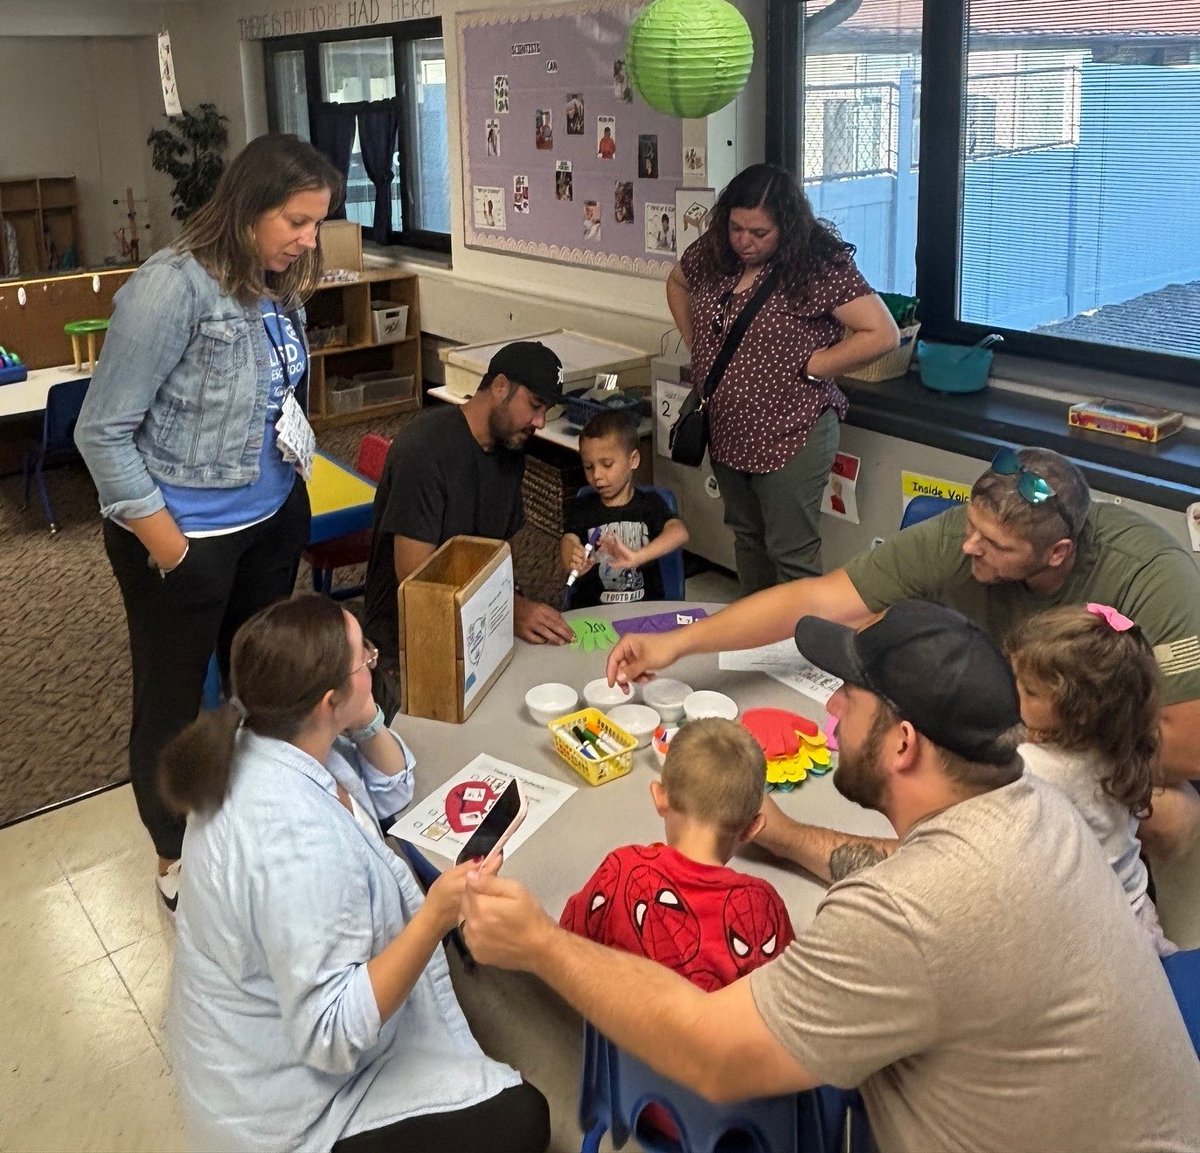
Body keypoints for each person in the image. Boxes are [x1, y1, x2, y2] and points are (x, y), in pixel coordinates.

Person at [464, 601, 1200, 1152]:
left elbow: (713, 1054)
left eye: (851, 693)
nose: (831, 705)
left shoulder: (905, 916)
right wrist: (785, 837)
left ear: (904, 741)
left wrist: (541, 944)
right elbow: (915, 879)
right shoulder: (1034, 804)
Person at [606, 446, 1200, 861]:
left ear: (1057, 554)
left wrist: (1004, 743)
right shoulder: (964, 538)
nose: (968, 546)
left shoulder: (1151, 574)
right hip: (999, 725)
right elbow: (818, 597)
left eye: (994, 545)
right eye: (969, 526)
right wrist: (677, 642)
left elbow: (1186, 744)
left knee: (1171, 814)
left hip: (1072, 746)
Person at [160, 596, 550, 1153]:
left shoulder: (277, 736)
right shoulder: (295, 840)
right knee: (523, 1117)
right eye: (363, 658)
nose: (375, 659)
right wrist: (435, 916)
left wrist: (363, 715)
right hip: (284, 1113)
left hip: (252, 1053)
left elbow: (395, 789)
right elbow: (331, 1035)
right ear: (325, 701)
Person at [74, 133, 343, 911]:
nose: (308, 240)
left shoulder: (277, 277)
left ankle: (251, 815)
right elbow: (102, 431)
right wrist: (170, 547)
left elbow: (271, 393)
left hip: (269, 517)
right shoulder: (172, 288)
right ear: (248, 207)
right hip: (182, 539)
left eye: (317, 222)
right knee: (172, 697)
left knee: (260, 682)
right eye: (297, 220)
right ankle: (172, 852)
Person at [666, 163, 898, 595]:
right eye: (737, 227)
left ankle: (797, 652)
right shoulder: (716, 253)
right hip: (728, 428)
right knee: (748, 539)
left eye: (759, 233)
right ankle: (757, 635)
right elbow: (677, 282)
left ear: (787, 227)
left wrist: (819, 365)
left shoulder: (816, 267)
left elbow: (883, 333)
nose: (744, 242)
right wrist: (695, 343)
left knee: (791, 551)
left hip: (792, 431)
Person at [363, 341, 574, 715]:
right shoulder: (424, 451)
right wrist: (507, 609)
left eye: (547, 411)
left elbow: (497, 554)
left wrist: (509, 605)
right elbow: (416, 582)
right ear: (499, 386)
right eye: (535, 406)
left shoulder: (510, 450)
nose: (540, 422)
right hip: (407, 643)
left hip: (476, 625)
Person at [561, 717, 794, 986]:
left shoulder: (620, 870)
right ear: (753, 828)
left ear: (659, 797)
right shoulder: (763, 906)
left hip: (610, 1024)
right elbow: (783, 1000)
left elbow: (565, 941)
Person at [1007, 603, 1176, 955]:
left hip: (1099, 933)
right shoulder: (1121, 744)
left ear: (1078, 711)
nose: (1015, 695)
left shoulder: (1033, 768)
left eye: (1029, 692)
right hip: (1139, 911)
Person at [560, 410, 689, 608]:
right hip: (594, 611)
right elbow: (569, 539)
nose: (597, 475)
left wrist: (638, 557)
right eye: (588, 466)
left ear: (633, 460)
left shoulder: (651, 503)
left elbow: (679, 532)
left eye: (607, 464)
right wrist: (573, 558)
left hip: (643, 609)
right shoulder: (582, 506)